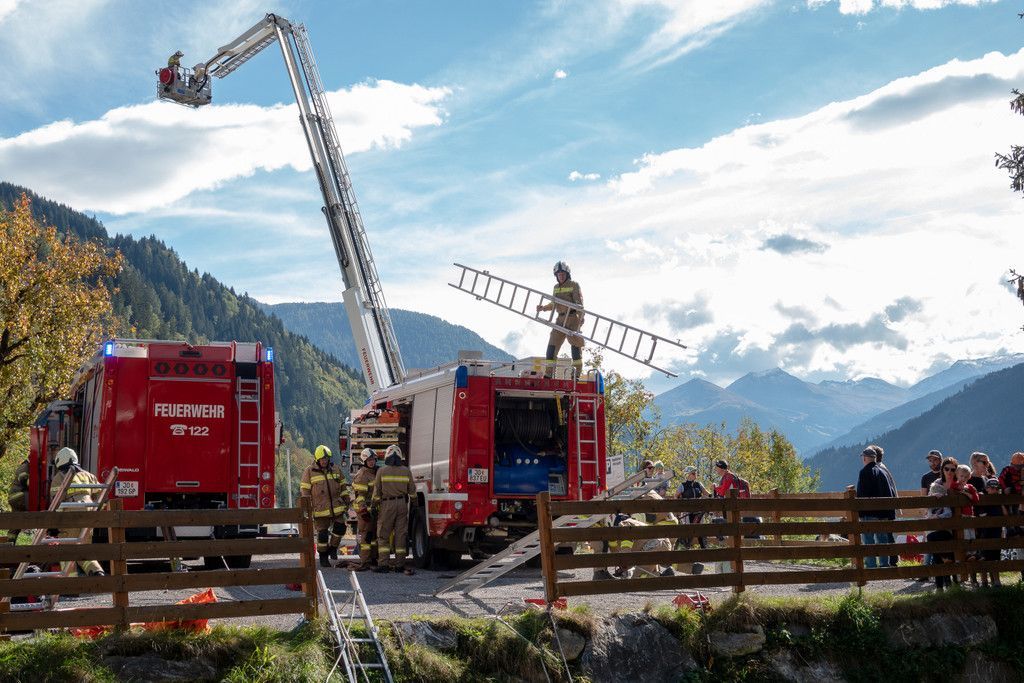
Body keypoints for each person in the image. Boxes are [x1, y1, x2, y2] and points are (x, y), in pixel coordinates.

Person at [49, 448, 105, 577]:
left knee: (66, 550)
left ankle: (70, 582)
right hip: (89, 516)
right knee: (83, 549)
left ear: (59, 461)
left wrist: (54, 525)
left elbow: (56, 503)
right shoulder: (89, 476)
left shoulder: (59, 477)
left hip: (71, 516)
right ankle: (96, 571)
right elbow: (101, 497)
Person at [300, 445, 349, 568]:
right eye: (322, 459)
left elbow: (343, 487)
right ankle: (323, 557)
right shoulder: (309, 471)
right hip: (320, 509)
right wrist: (307, 507)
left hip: (337, 507)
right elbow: (305, 491)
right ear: (317, 459)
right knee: (322, 535)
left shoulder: (336, 469)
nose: (324, 461)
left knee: (340, 528)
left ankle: (333, 548)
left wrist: (347, 500)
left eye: (326, 459)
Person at [535, 261, 584, 377]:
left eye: (563, 273)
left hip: (572, 318)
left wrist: (581, 319)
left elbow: (579, 304)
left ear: (567, 274)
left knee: (575, 348)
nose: (561, 276)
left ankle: (576, 376)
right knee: (551, 348)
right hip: (560, 320)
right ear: (556, 275)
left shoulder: (574, 285)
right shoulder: (556, 288)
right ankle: (549, 375)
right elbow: (554, 303)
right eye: (559, 274)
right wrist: (543, 308)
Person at [373, 445, 416, 575]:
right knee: (400, 535)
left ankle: (384, 564)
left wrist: (374, 506)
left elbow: (377, 492)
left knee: (384, 535)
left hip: (387, 505)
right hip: (402, 504)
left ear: (387, 456)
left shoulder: (381, 471)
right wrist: (415, 504)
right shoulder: (406, 471)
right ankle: (399, 565)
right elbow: (412, 491)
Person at [855, 446, 896, 569]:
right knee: (882, 539)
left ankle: (871, 566)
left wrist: (860, 511)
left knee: (868, 540)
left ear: (865, 458)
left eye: (863, 457)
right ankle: (884, 565)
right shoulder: (883, 472)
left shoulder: (864, 472)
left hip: (869, 513)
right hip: (883, 513)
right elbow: (890, 493)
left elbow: (862, 493)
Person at [345, 448, 379, 571]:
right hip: (365, 511)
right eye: (369, 460)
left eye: (373, 459)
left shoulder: (376, 472)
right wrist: (364, 511)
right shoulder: (362, 475)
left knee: (375, 536)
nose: (372, 462)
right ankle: (365, 560)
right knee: (366, 536)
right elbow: (359, 496)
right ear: (364, 461)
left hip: (375, 510)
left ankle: (374, 558)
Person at [870, 445, 899, 567]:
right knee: (887, 534)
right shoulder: (883, 468)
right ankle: (891, 560)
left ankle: (890, 561)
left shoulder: (878, 470)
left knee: (886, 535)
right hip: (888, 507)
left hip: (883, 508)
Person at [924, 479, 954, 591]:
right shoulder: (930, 504)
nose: (936, 495)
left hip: (944, 532)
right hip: (934, 533)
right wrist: (932, 516)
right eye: (934, 492)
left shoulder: (944, 503)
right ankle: (940, 586)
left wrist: (938, 517)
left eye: (938, 492)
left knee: (938, 557)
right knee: (938, 559)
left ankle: (944, 584)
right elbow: (928, 514)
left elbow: (948, 513)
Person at [975, 478, 1005, 588]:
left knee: (995, 557)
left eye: (996, 488)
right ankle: (984, 582)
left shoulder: (999, 501)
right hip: (984, 533)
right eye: (992, 488)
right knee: (983, 557)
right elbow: (979, 514)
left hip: (996, 532)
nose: (994, 490)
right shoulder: (982, 499)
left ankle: (996, 581)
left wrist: (1001, 503)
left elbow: (1005, 515)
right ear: (987, 488)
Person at [677, 466, 707, 550]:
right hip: (687, 512)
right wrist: (679, 507)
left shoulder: (698, 484)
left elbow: (706, 493)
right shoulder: (682, 485)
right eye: (693, 473)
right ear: (688, 475)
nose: (695, 474)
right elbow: (676, 496)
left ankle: (704, 549)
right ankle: (687, 549)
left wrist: (713, 495)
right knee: (688, 530)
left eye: (696, 473)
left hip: (699, 511)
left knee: (700, 530)